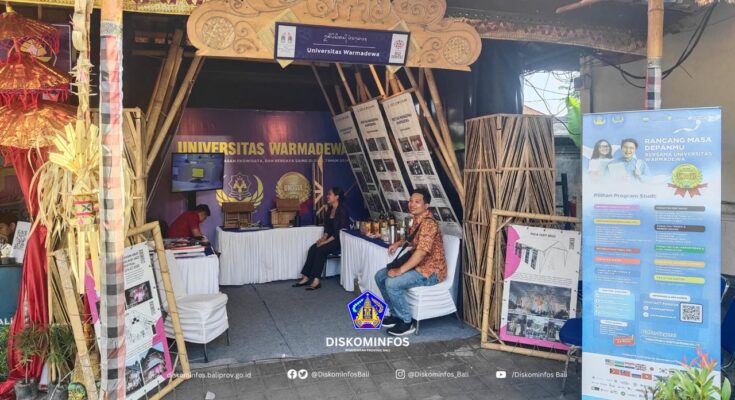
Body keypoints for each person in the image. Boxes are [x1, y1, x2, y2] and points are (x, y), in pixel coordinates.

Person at [374, 188, 446, 336]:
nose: (412, 204)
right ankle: (395, 314)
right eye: (411, 201)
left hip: (430, 271)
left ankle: (406, 322)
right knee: (380, 276)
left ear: (426, 206)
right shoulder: (417, 219)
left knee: (392, 283)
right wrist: (398, 243)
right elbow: (410, 238)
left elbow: (420, 253)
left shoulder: (429, 224)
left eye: (417, 202)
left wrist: (400, 271)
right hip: (418, 266)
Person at [293, 187, 349, 290]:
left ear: (336, 197)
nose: (327, 196)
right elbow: (327, 228)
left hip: (338, 240)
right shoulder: (329, 209)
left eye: (330, 194)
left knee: (320, 250)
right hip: (329, 239)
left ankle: (316, 280)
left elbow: (338, 232)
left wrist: (325, 242)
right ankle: (306, 277)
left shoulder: (343, 210)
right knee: (313, 248)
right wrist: (322, 239)